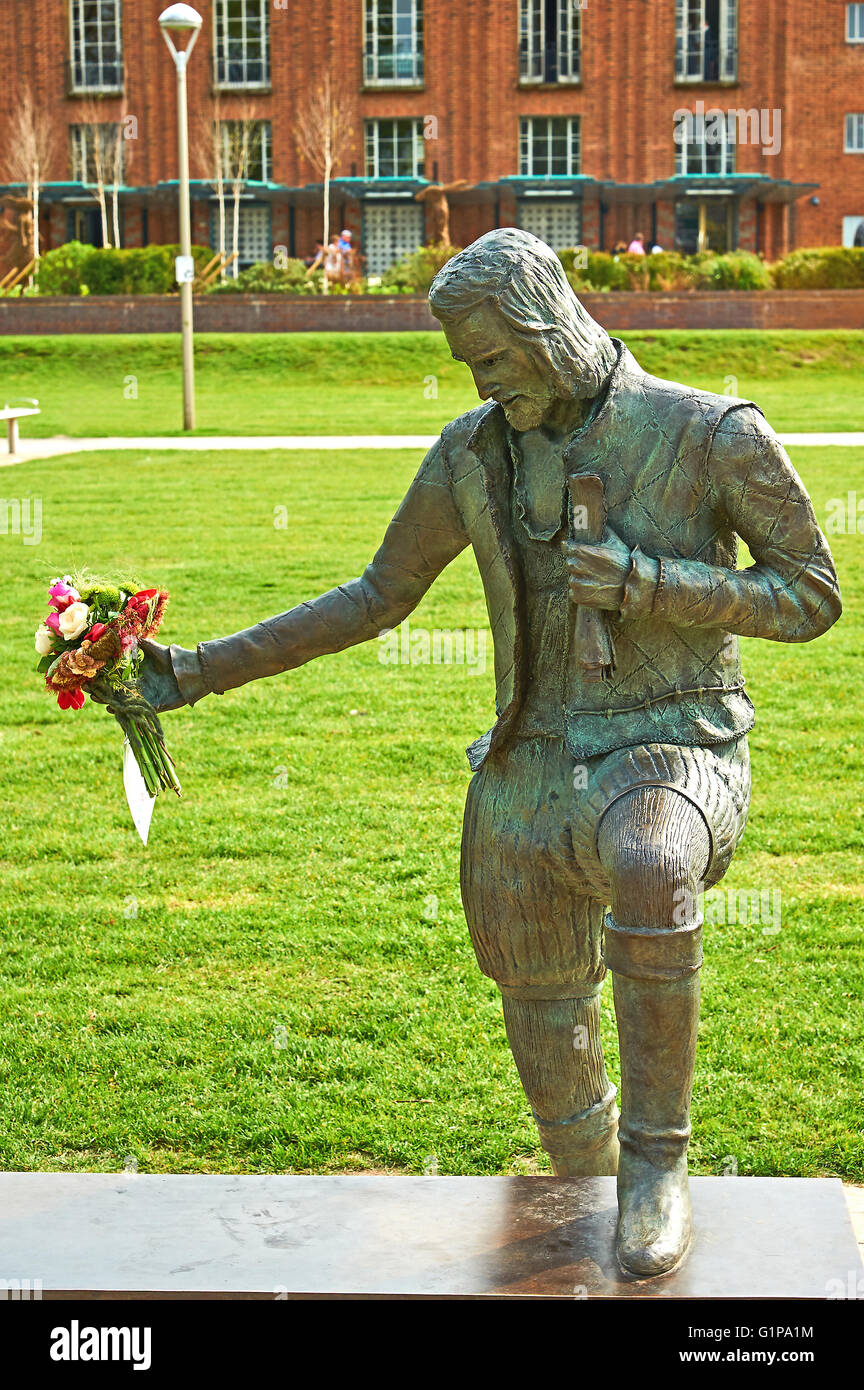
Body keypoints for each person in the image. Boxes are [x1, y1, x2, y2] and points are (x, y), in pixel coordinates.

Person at [135, 229, 841, 1278]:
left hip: (674, 740)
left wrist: (655, 583)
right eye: (470, 363)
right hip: (531, 760)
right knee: (532, 972)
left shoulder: (707, 432)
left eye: (493, 356)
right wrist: (190, 671)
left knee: (650, 862)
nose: (480, 379)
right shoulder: (475, 452)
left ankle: (656, 1167)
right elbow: (376, 597)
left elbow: (812, 595)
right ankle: (587, 1177)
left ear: (546, 327)